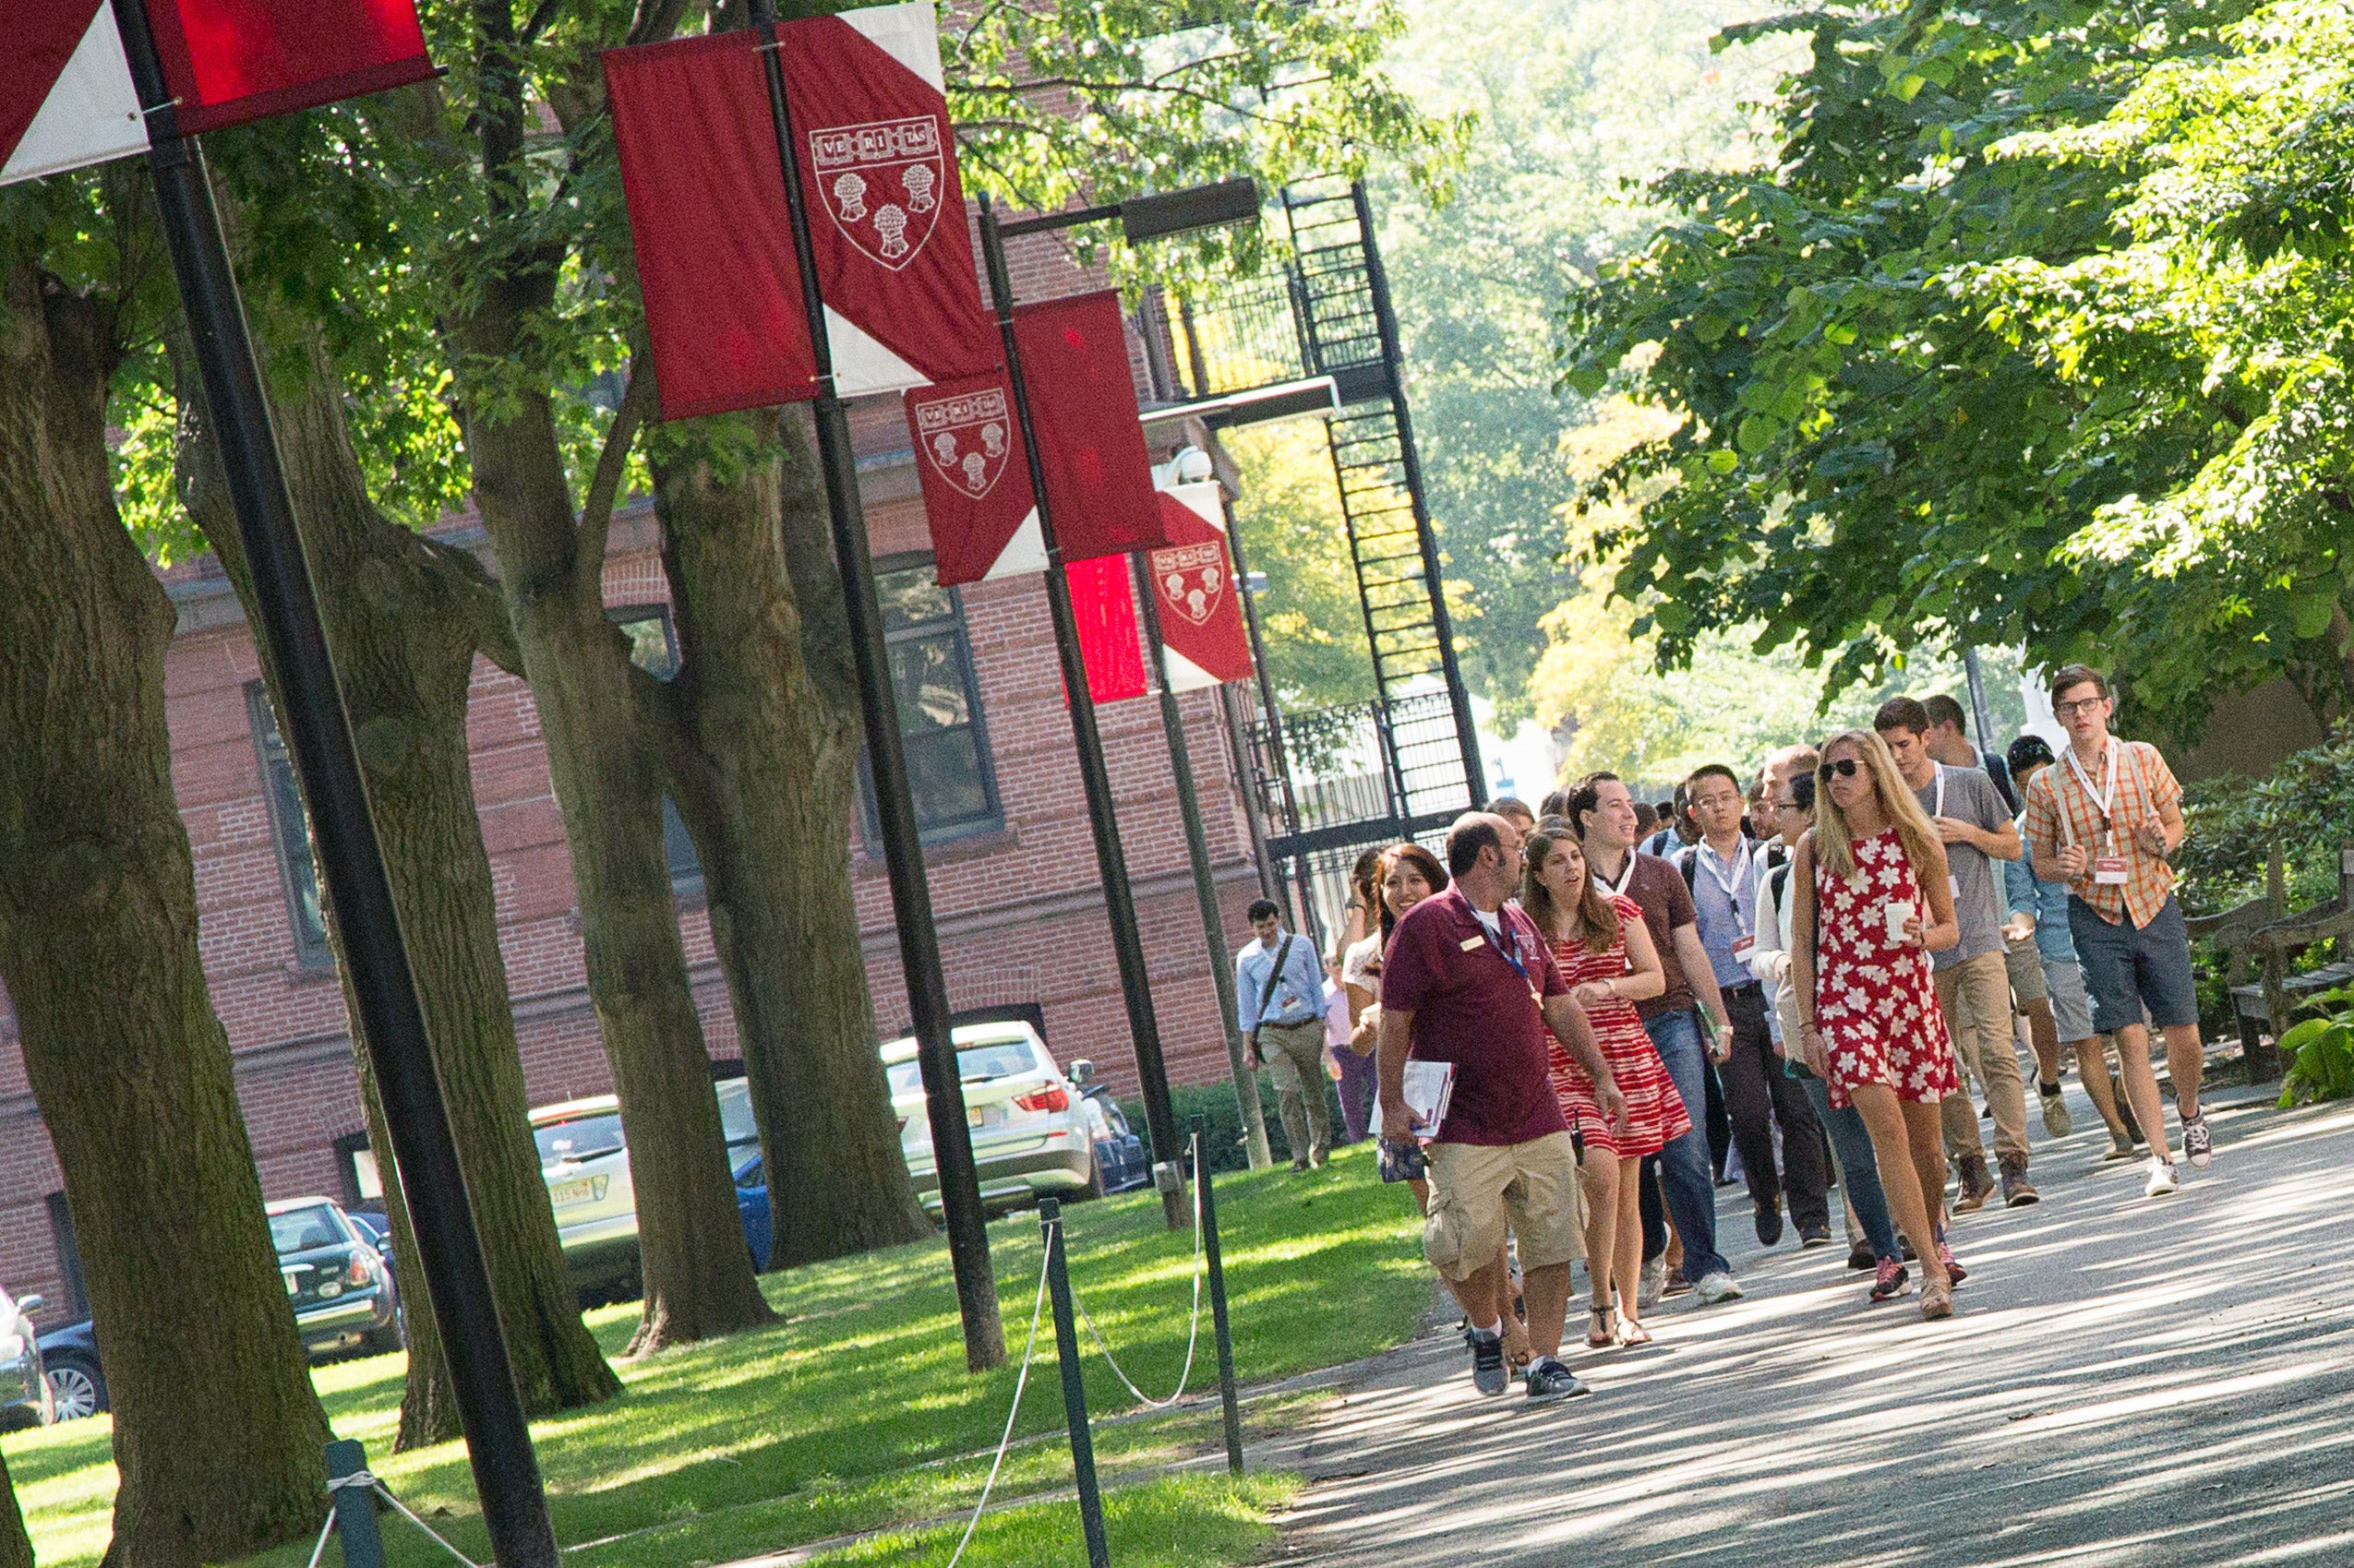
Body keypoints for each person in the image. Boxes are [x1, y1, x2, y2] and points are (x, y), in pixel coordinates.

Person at [1376, 814, 1626, 1403]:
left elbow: (1560, 1004)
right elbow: (1394, 1022)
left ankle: (1545, 1362)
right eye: (1516, 848)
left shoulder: (1518, 921)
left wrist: (1600, 1075)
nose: (1524, 857)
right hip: (1463, 1121)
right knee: (1463, 1244)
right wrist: (1392, 1105)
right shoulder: (1425, 926)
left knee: (1552, 1238)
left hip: (1536, 1111)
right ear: (1488, 856)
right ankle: (1486, 1329)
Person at [1789, 731, 1967, 1320]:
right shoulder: (1814, 847)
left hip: (1908, 998)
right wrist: (1811, 1026)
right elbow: (1803, 946)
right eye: (1826, 772)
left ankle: (1935, 1236)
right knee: (1886, 1132)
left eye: (1846, 768)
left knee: (1927, 1146)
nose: (1835, 780)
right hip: (1846, 1003)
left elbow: (1950, 928)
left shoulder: (1916, 837)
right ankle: (1929, 1270)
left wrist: (1923, 933)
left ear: (1875, 772)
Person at [2023, 664, 2214, 1196]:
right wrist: (2064, 864)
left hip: (2153, 903)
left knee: (2186, 1034)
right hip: (2097, 915)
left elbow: (2174, 825)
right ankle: (2159, 1157)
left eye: (2088, 704)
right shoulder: (2046, 785)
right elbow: (2039, 862)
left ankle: (2191, 1110)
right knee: (2129, 1034)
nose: (2080, 715)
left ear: (2107, 706)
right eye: (2069, 708)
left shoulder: (2142, 758)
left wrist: (2162, 838)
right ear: (2058, 717)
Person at [1567, 772, 1744, 1305]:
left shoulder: (1662, 873)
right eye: (1614, 806)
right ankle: (1644, 1258)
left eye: (1629, 805)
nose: (1628, 815)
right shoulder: (1568, 881)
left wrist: (1717, 1019)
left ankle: (1706, 1263)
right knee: (1627, 1148)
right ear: (1587, 819)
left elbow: (1691, 952)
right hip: (1603, 1033)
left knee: (1685, 1142)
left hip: (1669, 1019)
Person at [1521, 824, 1685, 1347]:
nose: (1572, 867)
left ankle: (1626, 1310)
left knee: (1627, 1192)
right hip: (1561, 1061)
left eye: (1576, 857)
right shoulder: (1525, 927)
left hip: (1624, 1052)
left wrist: (1607, 987)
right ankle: (1598, 1298)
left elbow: (1655, 979)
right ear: (1539, 876)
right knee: (1598, 1172)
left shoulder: (1615, 912)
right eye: (1558, 862)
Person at [1752, 770, 1911, 1302]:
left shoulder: (1876, 848)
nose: (1788, 821)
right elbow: (1763, 950)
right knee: (1852, 1147)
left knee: (1901, 1132)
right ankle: (1883, 1249)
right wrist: (1791, 966)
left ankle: (1927, 1234)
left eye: (1794, 811)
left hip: (1879, 1006)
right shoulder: (1777, 872)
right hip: (1808, 1018)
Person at [1877, 697, 2036, 1209]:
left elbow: (2012, 847)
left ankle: (2014, 1162)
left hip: (1979, 935)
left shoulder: (1967, 782)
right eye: (1887, 747)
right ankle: (1972, 1165)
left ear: (1926, 737)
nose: (1897, 756)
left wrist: (1967, 834)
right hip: (1921, 949)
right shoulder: (1885, 800)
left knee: (1996, 1047)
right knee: (1939, 1062)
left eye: (1903, 744)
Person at [1672, 765, 1831, 1246]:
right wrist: (1706, 1017)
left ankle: (1812, 1215)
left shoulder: (1772, 856)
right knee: (1747, 1112)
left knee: (1797, 1108)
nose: (1720, 807)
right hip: (1727, 1003)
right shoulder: (1685, 868)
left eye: (1727, 796)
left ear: (1742, 803)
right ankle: (1765, 1193)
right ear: (1694, 812)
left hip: (1778, 992)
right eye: (1708, 800)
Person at [2005, 734, 2140, 1161]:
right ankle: (2117, 1131)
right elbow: (2022, 898)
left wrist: (2091, 870)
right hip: (2060, 947)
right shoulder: (2021, 836)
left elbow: (2122, 865)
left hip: (2111, 926)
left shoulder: (2087, 809)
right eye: (2026, 785)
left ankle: (2126, 1094)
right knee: (2085, 1040)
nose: (2036, 789)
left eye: (2041, 778)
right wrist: (2021, 926)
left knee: (2130, 1030)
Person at [1235, 899, 1333, 1170]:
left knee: (1313, 1092)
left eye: (1270, 924)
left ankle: (1321, 1150)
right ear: (1251, 927)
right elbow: (1245, 1005)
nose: (1266, 931)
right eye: (1259, 927)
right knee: (1286, 1092)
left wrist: (1320, 1023)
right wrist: (1248, 1047)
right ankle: (1299, 1155)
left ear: (1278, 920)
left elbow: (1316, 984)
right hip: (1272, 1032)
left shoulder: (1301, 945)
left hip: (1305, 1025)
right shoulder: (1246, 958)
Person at [1923, 693, 2021, 814]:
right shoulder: (1929, 784)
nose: (1921, 740)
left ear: (1946, 728)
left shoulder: (2003, 769)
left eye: (1925, 732)